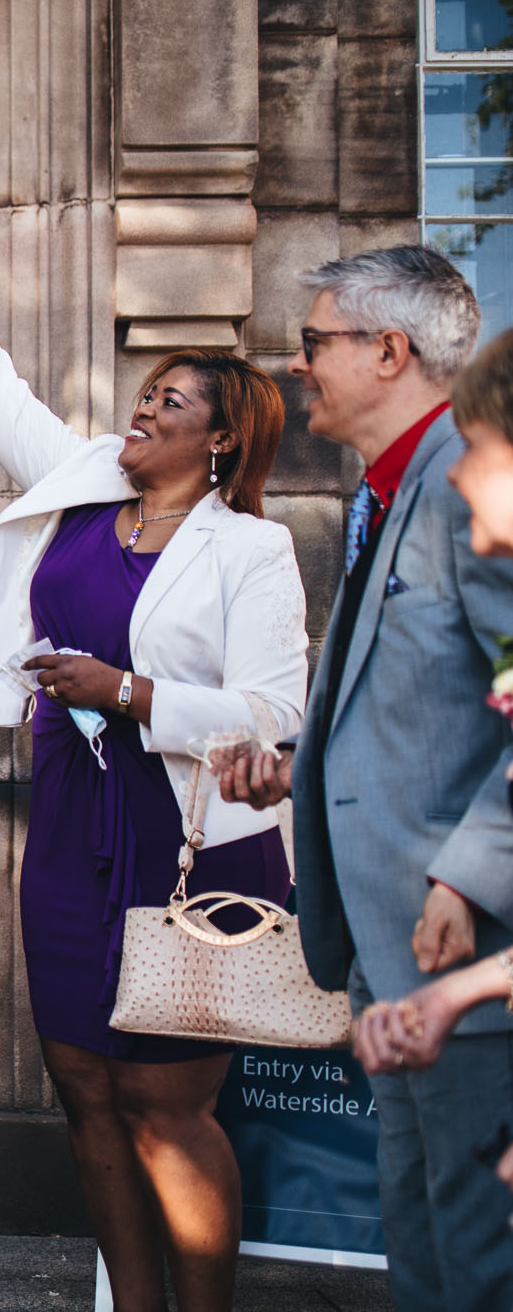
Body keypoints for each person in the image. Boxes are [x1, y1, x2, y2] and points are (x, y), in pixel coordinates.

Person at [0, 189, 306, 1312]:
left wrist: (131, 692)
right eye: (144, 396)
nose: (141, 412)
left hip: (188, 835)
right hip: (67, 820)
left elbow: (272, 709)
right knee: (85, 1089)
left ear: (222, 435)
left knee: (168, 1104)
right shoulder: (86, 483)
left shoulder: (253, 549)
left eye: (169, 403)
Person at [219, 246, 513, 1312]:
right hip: (391, 956)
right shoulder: (386, 491)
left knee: (475, 1259)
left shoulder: (471, 483)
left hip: (465, 954)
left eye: (312, 342)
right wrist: (298, 769)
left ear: (389, 350)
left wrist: (469, 878)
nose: (295, 368)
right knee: (426, 1247)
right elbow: (438, 702)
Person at [346, 326, 513, 1189]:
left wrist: (464, 879)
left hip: (450, 927)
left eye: (480, 449)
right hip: (426, 969)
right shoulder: (381, 493)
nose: (458, 471)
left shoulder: (448, 500)